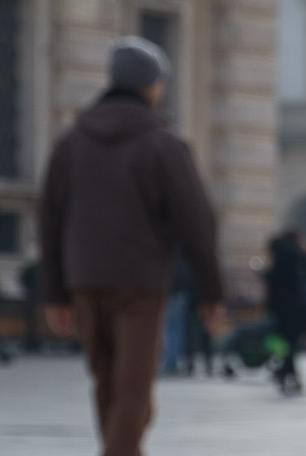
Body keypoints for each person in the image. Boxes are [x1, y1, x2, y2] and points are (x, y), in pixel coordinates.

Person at [38, 36, 225, 456]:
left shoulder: (69, 143)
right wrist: (211, 290)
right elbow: (197, 223)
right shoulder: (164, 145)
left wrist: (54, 293)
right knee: (134, 391)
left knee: (108, 386)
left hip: (84, 280)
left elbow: (48, 220)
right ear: (152, 87)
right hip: (139, 284)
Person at [263, 226, 306, 395]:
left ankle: (285, 373)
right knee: (291, 344)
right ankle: (287, 374)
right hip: (298, 307)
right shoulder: (300, 256)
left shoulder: (279, 255)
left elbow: (272, 281)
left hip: (280, 307)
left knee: (286, 343)